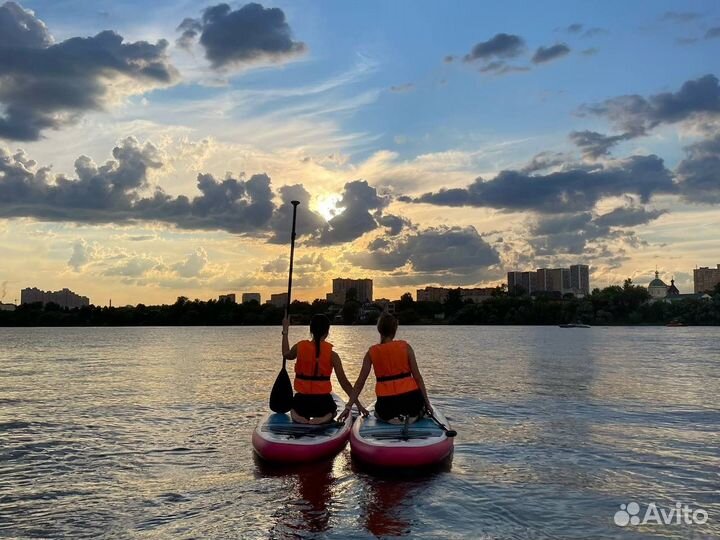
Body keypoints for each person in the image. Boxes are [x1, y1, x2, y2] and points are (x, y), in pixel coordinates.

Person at [338, 313, 432, 424]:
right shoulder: (406, 347)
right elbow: (418, 378)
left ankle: (394, 419)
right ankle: (414, 415)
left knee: (378, 413)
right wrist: (427, 404)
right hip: (411, 401)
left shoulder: (371, 353)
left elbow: (360, 383)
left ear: (379, 330)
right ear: (395, 330)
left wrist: (348, 406)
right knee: (414, 409)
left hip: (386, 405)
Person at [282, 314, 367, 424]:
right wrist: (358, 405)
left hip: (302, 401)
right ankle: (326, 417)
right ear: (327, 332)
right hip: (322, 402)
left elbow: (286, 354)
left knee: (295, 406)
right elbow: (344, 383)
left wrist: (285, 331)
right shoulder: (333, 355)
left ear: (311, 330)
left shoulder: (299, 347)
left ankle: (296, 415)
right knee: (333, 411)